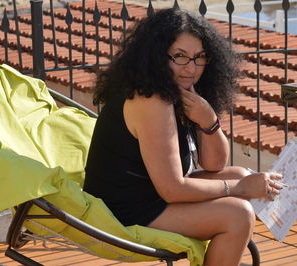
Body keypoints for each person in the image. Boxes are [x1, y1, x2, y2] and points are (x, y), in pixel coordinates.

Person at [83, 8, 283, 266]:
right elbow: (173, 189)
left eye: (200, 57)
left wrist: (208, 119)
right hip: (121, 209)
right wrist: (242, 189)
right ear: (156, 57)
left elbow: (214, 165)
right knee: (238, 214)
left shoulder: (182, 93)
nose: (191, 68)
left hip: (150, 194)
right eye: (179, 56)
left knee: (241, 175)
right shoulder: (151, 100)